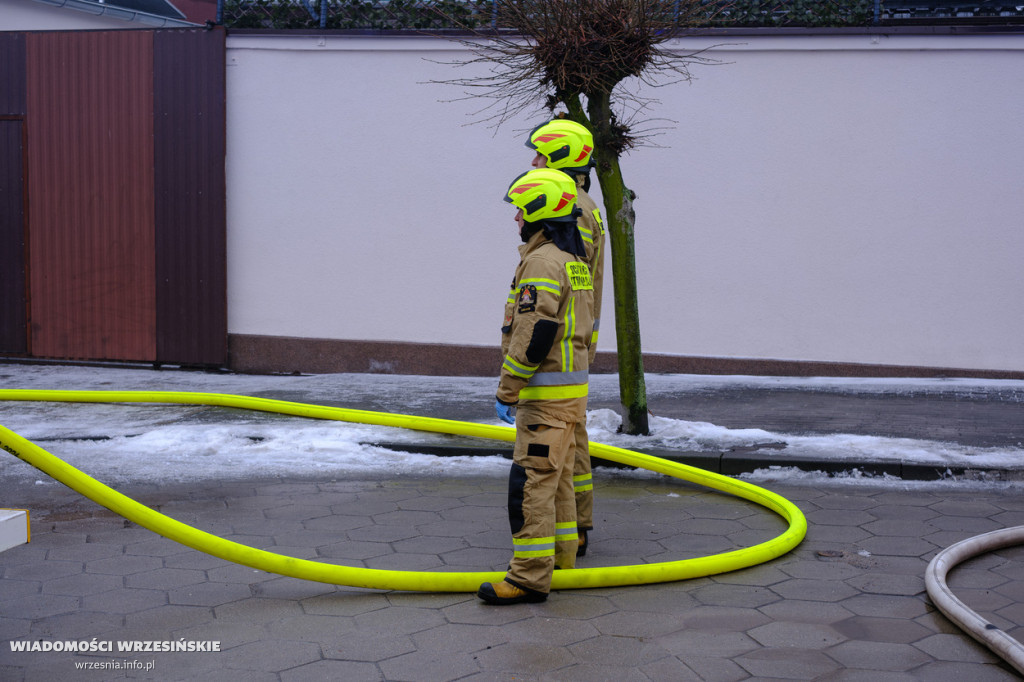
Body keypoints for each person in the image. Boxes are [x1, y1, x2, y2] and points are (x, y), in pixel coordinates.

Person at [478, 168, 595, 605]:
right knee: (561, 480)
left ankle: (527, 578)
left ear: (540, 214)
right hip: (569, 397)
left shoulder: (542, 262)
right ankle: (562, 557)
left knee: (530, 485)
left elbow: (535, 333)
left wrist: (508, 389)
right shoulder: (573, 260)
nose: (516, 219)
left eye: (521, 209)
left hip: (544, 400)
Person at [525, 118, 605, 557]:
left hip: (561, 342)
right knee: (572, 436)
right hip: (574, 337)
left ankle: (570, 530)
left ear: (558, 158)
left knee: (561, 441)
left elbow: (565, 277)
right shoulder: (584, 203)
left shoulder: (569, 206)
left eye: (540, 153)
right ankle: (576, 525)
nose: (533, 161)